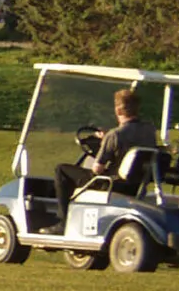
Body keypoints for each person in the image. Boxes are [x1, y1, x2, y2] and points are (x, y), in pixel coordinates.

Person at [55, 88, 159, 219]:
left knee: (62, 171)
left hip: (112, 183)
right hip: (136, 185)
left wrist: (104, 144)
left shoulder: (114, 135)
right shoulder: (149, 131)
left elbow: (97, 169)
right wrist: (106, 141)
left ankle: (62, 220)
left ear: (118, 110)